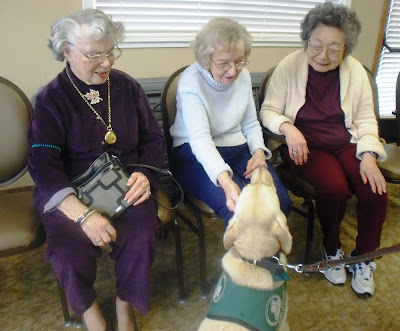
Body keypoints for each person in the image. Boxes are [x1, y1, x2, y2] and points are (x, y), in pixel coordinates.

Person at [28, 9, 166, 330]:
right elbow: (43, 164)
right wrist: (82, 214)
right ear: (66, 51)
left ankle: (124, 304)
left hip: (125, 183)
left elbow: (153, 139)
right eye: (94, 55)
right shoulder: (50, 99)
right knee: (67, 250)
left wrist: (145, 174)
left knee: (141, 234)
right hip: (69, 191)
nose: (107, 63)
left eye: (110, 52)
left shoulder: (127, 87)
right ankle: (90, 312)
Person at [260, 2, 387, 297]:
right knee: (333, 189)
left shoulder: (356, 72)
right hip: (306, 146)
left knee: (375, 190)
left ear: (347, 47)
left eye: (334, 48)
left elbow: (367, 120)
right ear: (306, 40)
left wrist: (368, 155)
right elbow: (269, 111)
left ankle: (364, 258)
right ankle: (331, 249)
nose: (324, 55)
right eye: (316, 45)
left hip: (347, 142)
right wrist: (289, 129)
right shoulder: (289, 66)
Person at [170, 17, 292, 229]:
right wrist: (226, 182)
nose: (233, 71)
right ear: (206, 59)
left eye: (239, 61)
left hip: (238, 148)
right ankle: (248, 261)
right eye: (224, 63)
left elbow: (251, 124)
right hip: (194, 153)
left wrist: (259, 153)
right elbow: (200, 140)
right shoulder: (191, 82)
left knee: (281, 202)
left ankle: (266, 258)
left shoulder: (243, 76)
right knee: (241, 213)